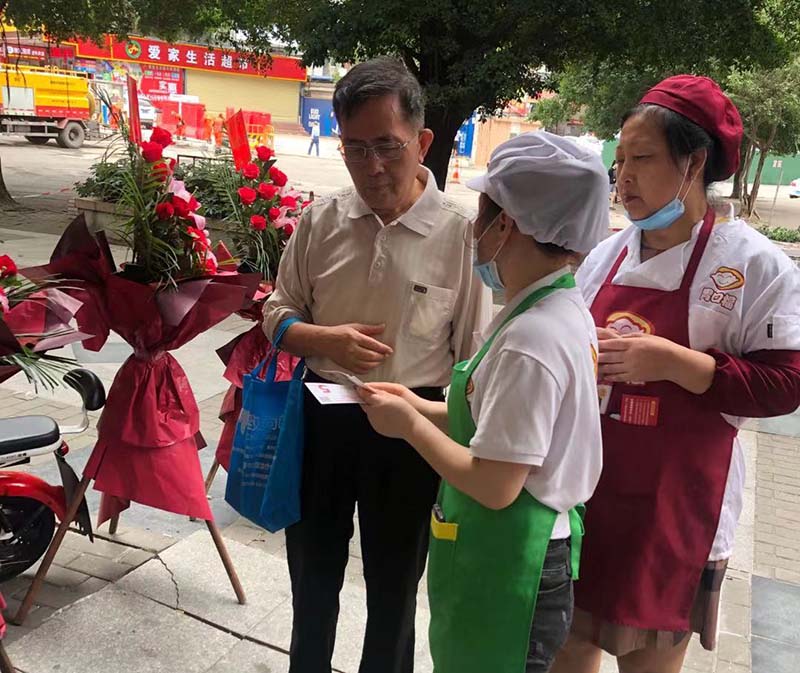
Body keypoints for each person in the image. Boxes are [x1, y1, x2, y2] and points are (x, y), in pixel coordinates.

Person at [552, 75, 800, 673]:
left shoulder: (750, 264)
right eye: (620, 158)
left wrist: (675, 362)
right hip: (590, 491)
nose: (623, 176)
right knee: (568, 643)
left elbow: (787, 383)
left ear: (693, 163)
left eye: (642, 159)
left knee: (652, 658)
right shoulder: (606, 255)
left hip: (677, 504)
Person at [262, 57, 492, 673]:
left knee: (395, 587)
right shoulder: (321, 221)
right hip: (321, 418)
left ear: (422, 142)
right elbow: (276, 312)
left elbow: (473, 359)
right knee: (312, 574)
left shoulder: (461, 238)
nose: (373, 167)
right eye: (355, 149)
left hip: (411, 433)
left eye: (388, 147)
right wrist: (322, 339)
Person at [359, 130, 608, 673]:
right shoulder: (547, 309)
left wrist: (408, 426)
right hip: (508, 549)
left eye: (481, 215)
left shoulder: (533, 339)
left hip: (512, 558)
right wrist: (419, 404)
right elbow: (498, 421)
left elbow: (497, 483)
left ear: (507, 224)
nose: (473, 230)